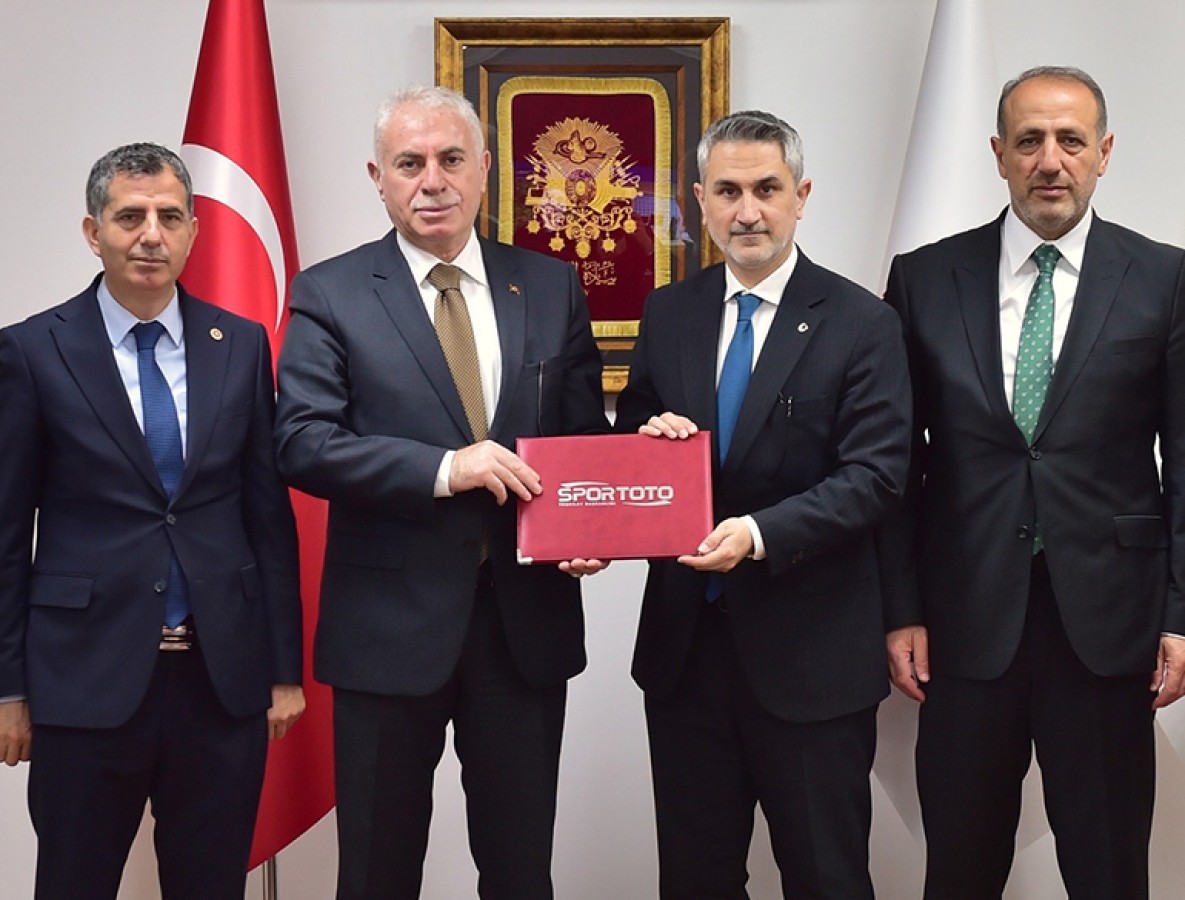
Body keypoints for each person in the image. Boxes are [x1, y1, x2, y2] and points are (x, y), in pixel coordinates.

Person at [273, 85, 607, 899]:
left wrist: (585, 526)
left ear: (485, 168)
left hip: (522, 627)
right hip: (387, 631)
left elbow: (576, 442)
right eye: (409, 163)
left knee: (520, 873)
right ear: (377, 177)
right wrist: (443, 468)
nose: (433, 181)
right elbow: (303, 443)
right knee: (378, 875)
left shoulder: (550, 285)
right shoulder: (330, 292)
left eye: (451, 159)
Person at [882, 66, 1185, 898]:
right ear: (998, 153)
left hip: (1109, 625)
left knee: (1107, 870)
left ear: (1103, 153)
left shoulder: (1164, 278)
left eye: (1069, 140)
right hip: (963, 621)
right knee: (960, 868)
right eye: (1028, 141)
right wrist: (901, 607)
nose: (1049, 160)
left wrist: (1179, 613)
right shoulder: (923, 278)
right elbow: (897, 466)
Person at [615, 110, 911, 898]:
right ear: (699, 202)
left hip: (811, 657)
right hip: (685, 657)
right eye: (727, 191)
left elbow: (876, 475)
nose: (747, 211)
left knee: (825, 878)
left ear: (800, 196)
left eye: (766, 189)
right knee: (694, 880)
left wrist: (756, 533)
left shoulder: (862, 322)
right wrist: (648, 438)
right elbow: (631, 443)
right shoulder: (668, 313)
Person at [0, 142, 304, 899]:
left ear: (194, 231)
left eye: (170, 217)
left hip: (219, 679)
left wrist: (282, 669)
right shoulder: (31, 351)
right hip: (82, 678)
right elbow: (5, 535)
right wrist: (8, 688)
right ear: (92, 231)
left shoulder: (240, 345)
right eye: (129, 216)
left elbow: (267, 518)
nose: (150, 235)